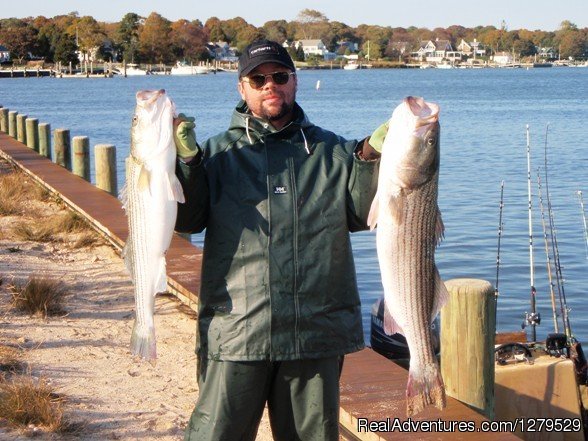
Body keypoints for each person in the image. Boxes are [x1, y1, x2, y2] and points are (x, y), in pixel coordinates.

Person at [173, 39, 388, 441]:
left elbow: (362, 215)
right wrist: (187, 164)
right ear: (242, 88)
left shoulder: (334, 152)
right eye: (258, 79)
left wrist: (370, 159)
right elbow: (187, 218)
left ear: (295, 81)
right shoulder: (216, 155)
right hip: (237, 332)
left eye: (279, 76)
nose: (270, 84)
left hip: (314, 336)